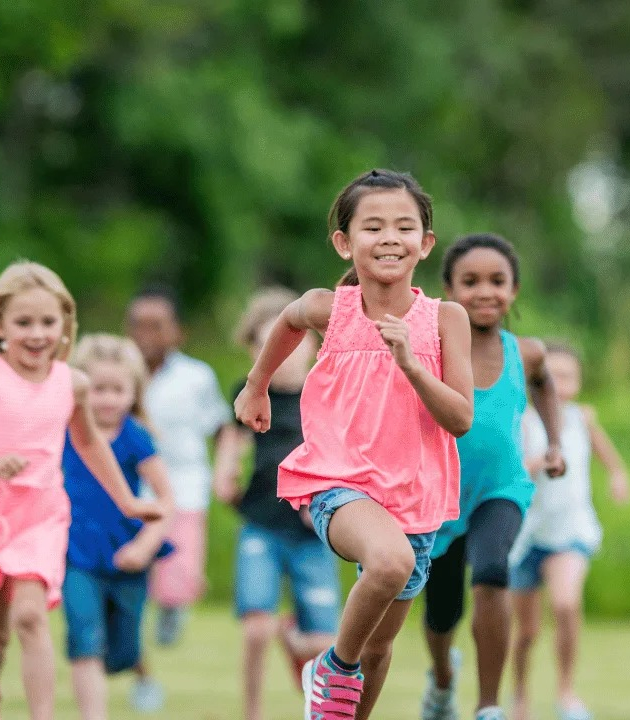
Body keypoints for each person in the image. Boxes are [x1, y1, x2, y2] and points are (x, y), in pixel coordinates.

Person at [235, 169, 474, 720]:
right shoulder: (330, 308)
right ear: (346, 242)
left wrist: (412, 362)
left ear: (425, 243)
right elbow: (288, 323)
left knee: (379, 646)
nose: (389, 237)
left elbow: (460, 418)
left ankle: (344, 691)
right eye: (372, 226)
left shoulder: (445, 320)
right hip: (338, 480)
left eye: (403, 226)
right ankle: (330, 669)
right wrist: (256, 385)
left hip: (415, 499)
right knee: (387, 565)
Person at [0, 261, 162, 720]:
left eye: (48, 322)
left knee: (31, 618)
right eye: (24, 322)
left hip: (42, 513)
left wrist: (128, 501)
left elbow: (91, 442)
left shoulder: (71, 383)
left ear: (64, 326)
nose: (37, 334)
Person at [420, 234, 566, 720]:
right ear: (447, 290)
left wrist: (554, 441)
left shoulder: (526, 353)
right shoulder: (433, 347)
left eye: (497, 281)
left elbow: (545, 385)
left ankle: (488, 706)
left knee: (491, 573)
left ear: (515, 290)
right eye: (471, 281)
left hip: (500, 489)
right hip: (438, 494)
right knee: (442, 612)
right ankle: (442, 680)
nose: (485, 292)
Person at [213, 287, 341, 720]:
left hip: (314, 532)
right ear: (256, 349)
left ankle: (305, 663)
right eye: (271, 344)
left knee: (324, 640)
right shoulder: (251, 392)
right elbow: (233, 439)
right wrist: (225, 472)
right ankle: (253, 711)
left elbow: (342, 453)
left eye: (294, 342)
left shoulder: (326, 394)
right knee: (255, 630)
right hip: (262, 525)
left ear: (312, 344)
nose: (285, 353)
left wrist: (322, 496)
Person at [510, 342, 630, 720]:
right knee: (527, 632)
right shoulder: (522, 422)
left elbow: (607, 454)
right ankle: (519, 696)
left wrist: (617, 476)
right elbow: (513, 469)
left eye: (568, 376)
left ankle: (566, 692)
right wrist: (541, 462)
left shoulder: (582, 419)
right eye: (552, 375)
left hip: (570, 530)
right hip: (526, 535)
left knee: (566, 605)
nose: (560, 383)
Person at [62, 334, 175, 718]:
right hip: (76, 554)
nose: (107, 399)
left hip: (127, 557)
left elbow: (165, 501)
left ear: (134, 393)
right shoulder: (65, 432)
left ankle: (138, 671)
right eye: (98, 389)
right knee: (84, 637)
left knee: (122, 650)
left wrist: (145, 546)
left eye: (117, 390)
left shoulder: (135, 438)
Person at [125, 286, 232, 645]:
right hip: (129, 487)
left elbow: (220, 426)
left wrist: (225, 470)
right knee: (131, 566)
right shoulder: (118, 374)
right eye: (139, 326)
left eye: (157, 326)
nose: (146, 335)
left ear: (176, 331)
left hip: (184, 486)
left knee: (178, 568)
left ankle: (173, 609)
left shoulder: (195, 377)